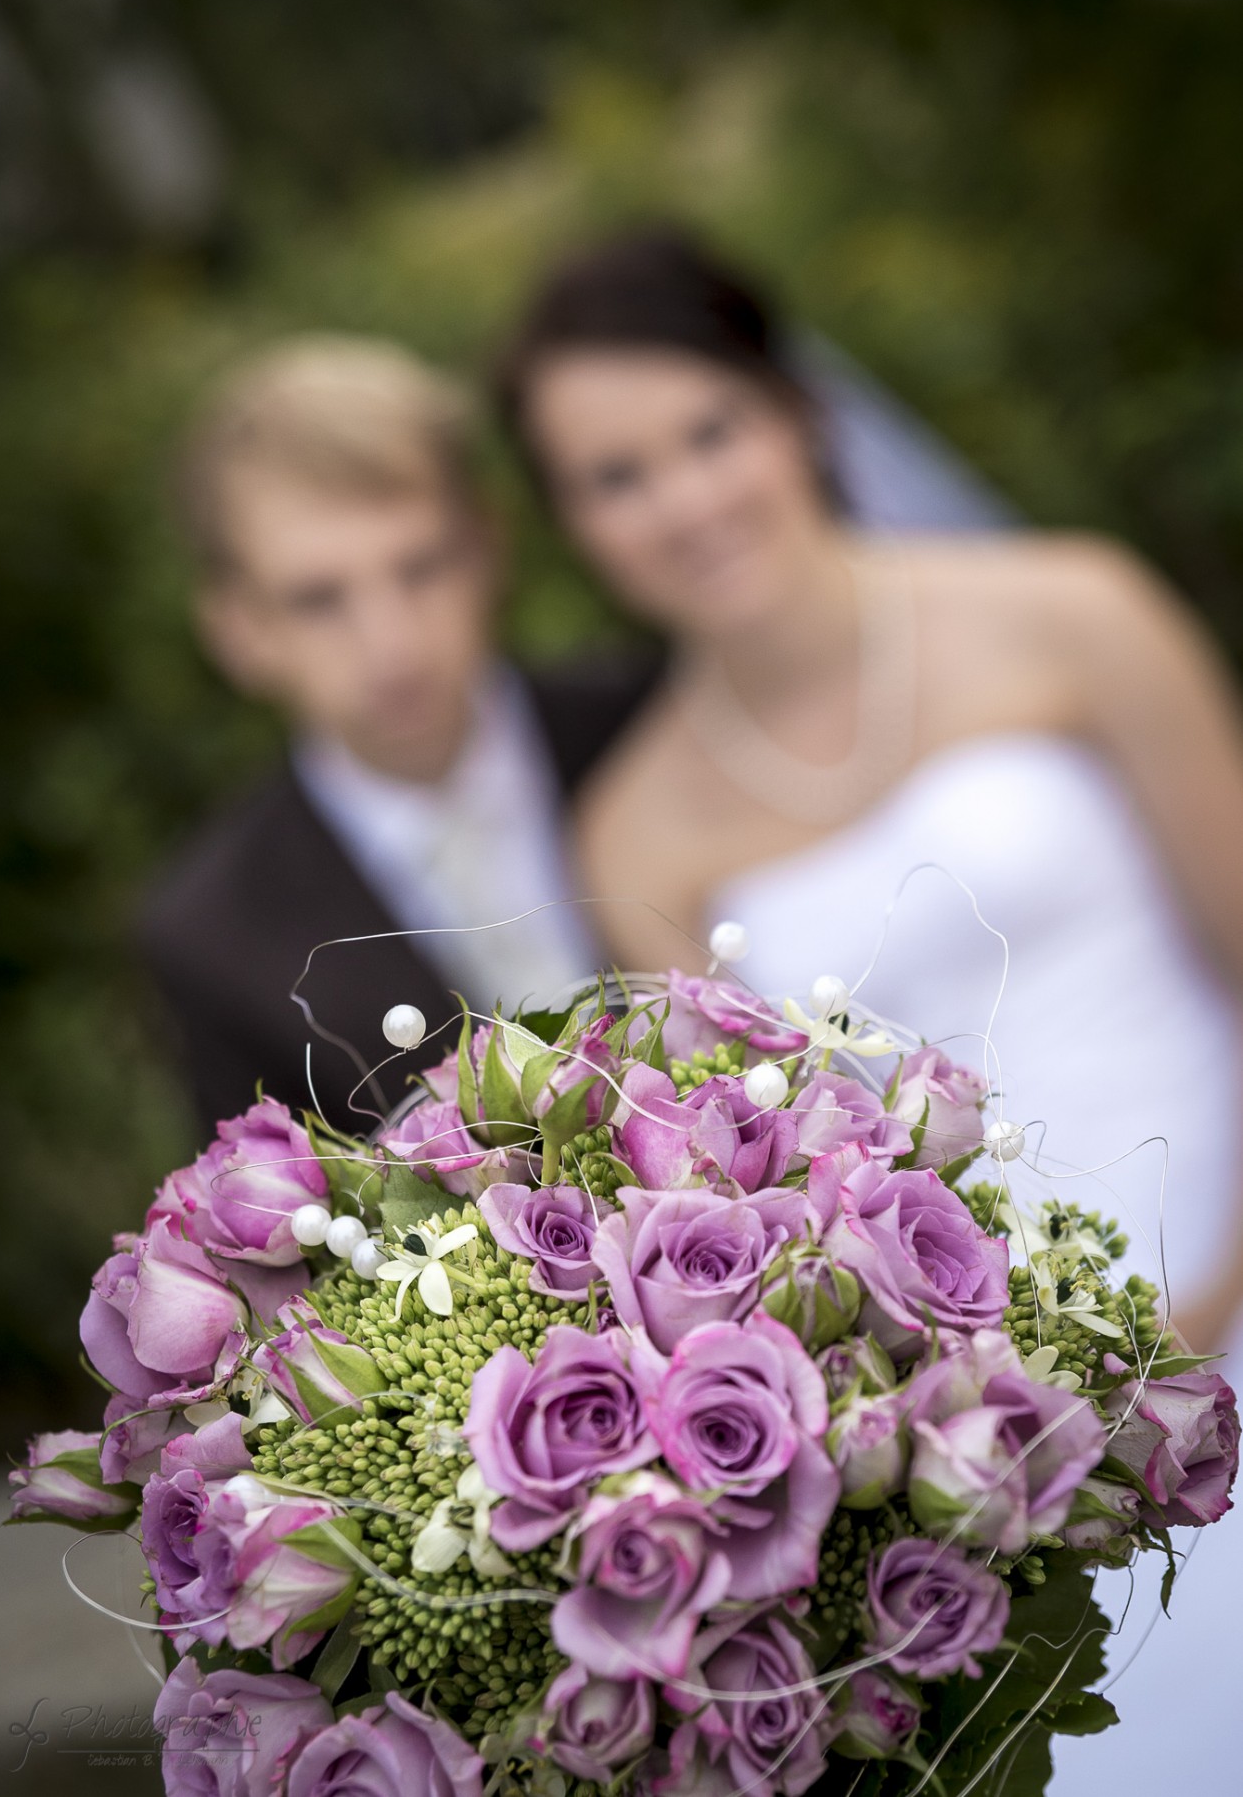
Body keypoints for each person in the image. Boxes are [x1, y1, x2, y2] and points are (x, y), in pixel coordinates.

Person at [494, 226, 1243, 1790]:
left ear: (794, 410)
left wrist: (1201, 1328)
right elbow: (756, 1213)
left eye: (709, 431)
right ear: (569, 522)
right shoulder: (628, 840)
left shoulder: (1071, 614)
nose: (687, 499)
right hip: (1017, 1447)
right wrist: (994, 1441)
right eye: (617, 476)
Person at [139, 335, 654, 1137]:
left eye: (421, 567)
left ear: (487, 547)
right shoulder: (216, 934)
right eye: (319, 599)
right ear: (238, 630)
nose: (391, 643)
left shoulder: (647, 721)